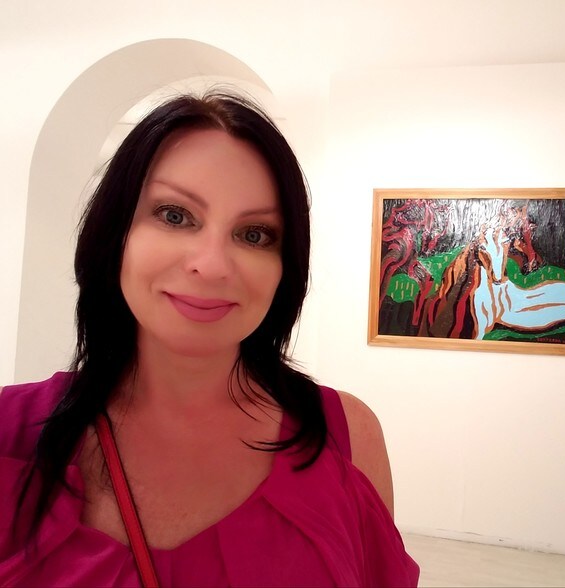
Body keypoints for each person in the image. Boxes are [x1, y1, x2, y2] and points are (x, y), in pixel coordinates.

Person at [0, 92, 419, 587]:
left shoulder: (347, 436)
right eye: (175, 215)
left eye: (255, 234)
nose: (213, 264)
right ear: (116, 233)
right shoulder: (11, 431)